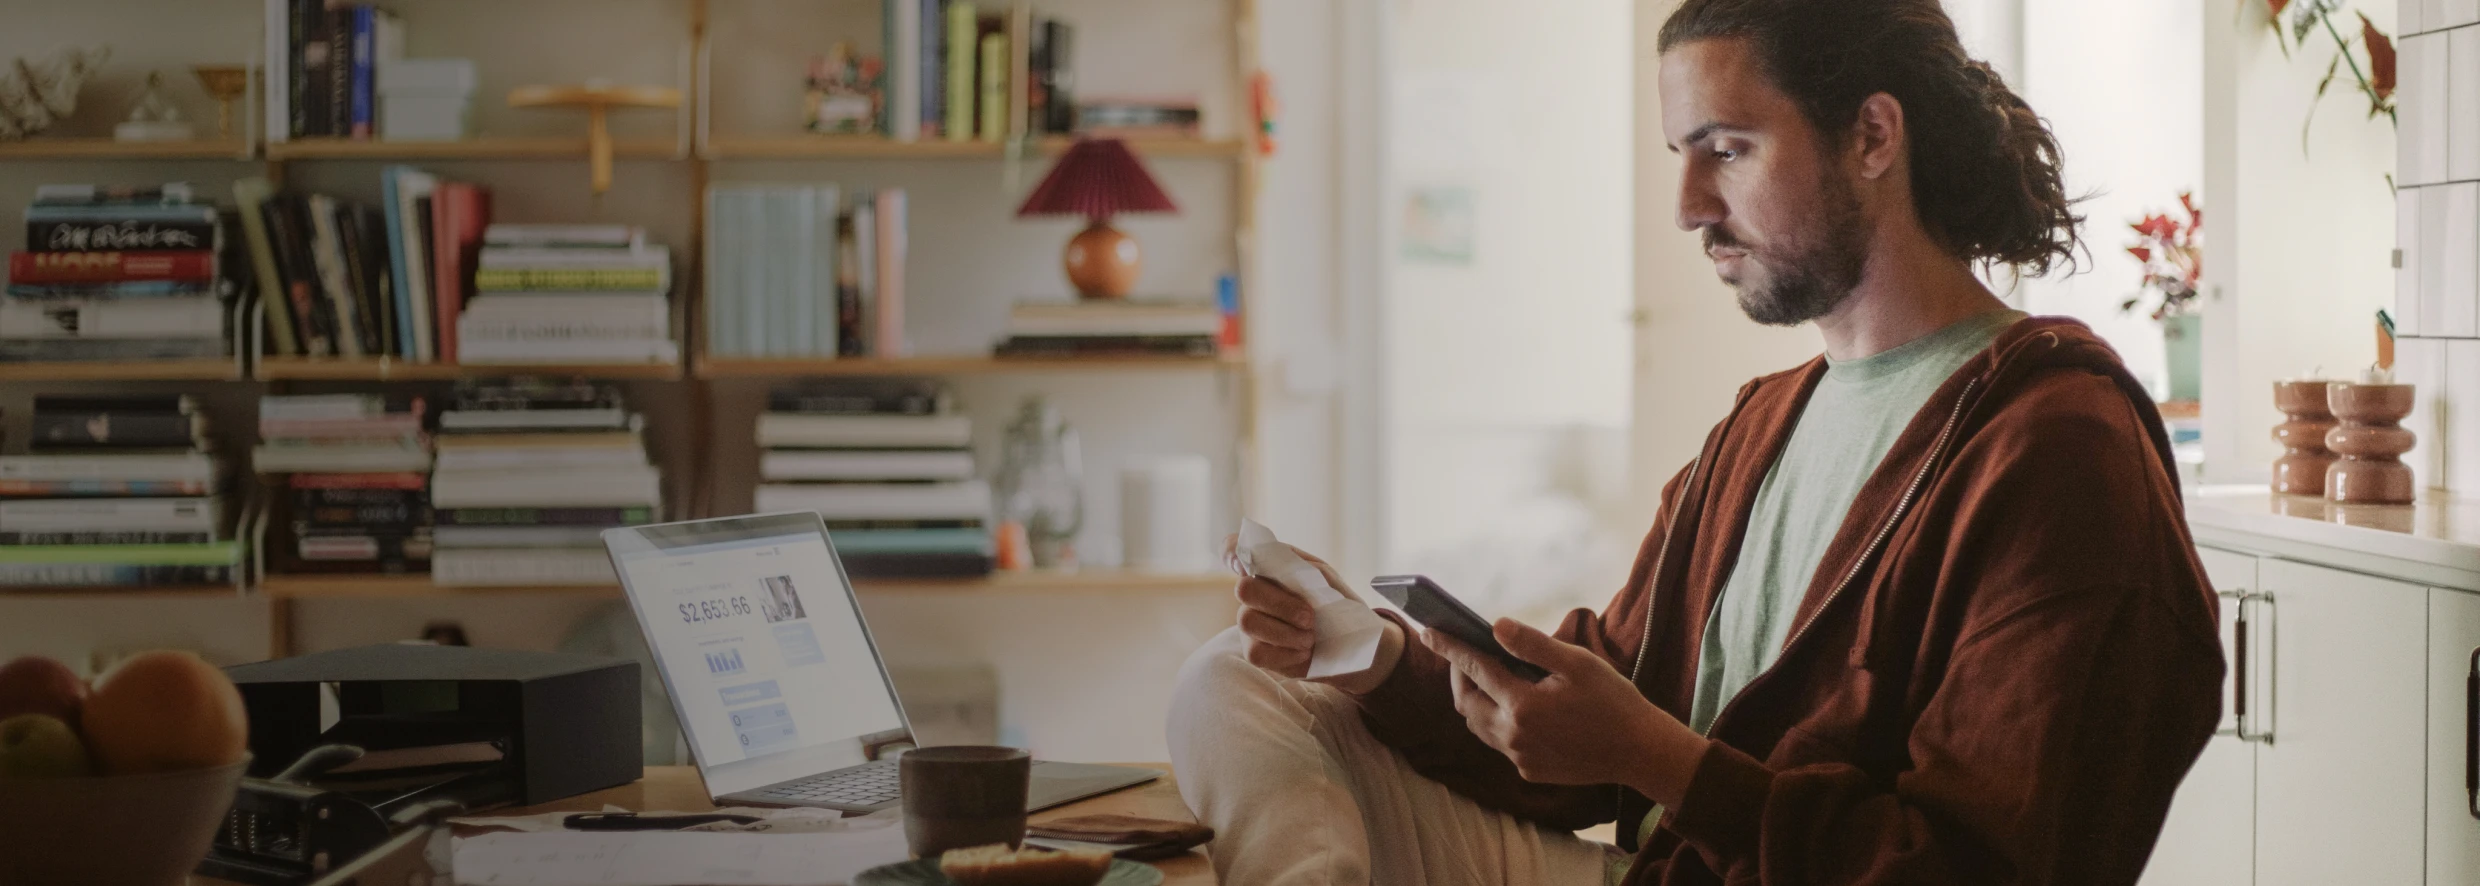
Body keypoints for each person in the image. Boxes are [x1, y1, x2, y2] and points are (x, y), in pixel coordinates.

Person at [1165, 1, 2226, 884]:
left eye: (1727, 150)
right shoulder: (1761, 425)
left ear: (1871, 137)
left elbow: (1975, 867)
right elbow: (1599, 727)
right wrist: (1371, 648)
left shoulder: (2055, 448)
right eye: (1682, 154)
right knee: (1237, 676)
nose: (1685, 207)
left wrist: (1653, 757)